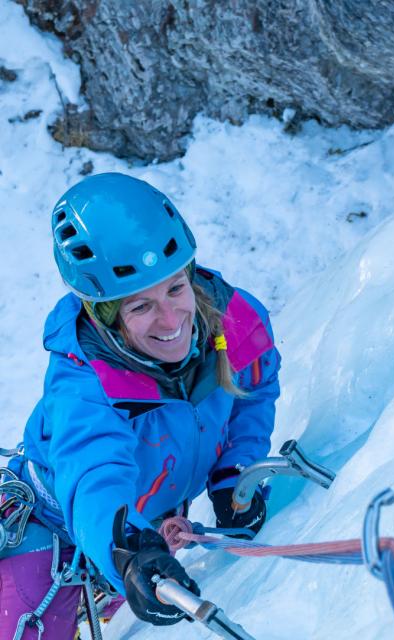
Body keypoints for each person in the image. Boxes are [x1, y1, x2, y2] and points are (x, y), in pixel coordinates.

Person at [0, 173, 281, 638]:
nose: (171, 320)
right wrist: (130, 553)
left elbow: (255, 392)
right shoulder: (83, 386)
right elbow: (94, 476)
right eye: (139, 307)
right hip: (52, 533)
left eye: (175, 288)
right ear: (105, 317)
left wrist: (236, 471)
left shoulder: (234, 321)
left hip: (142, 525)